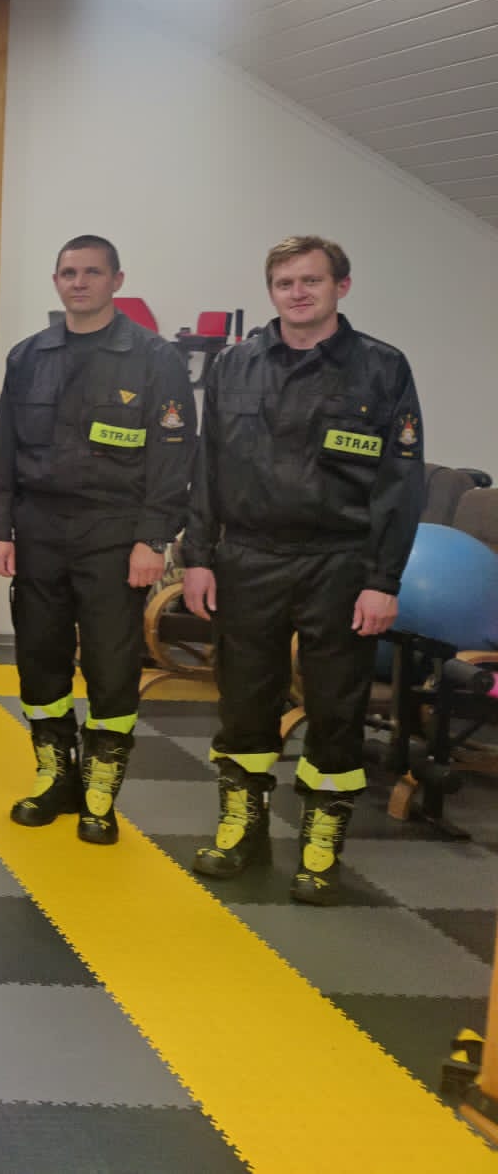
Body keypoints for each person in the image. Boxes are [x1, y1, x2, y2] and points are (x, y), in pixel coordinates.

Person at [181, 236, 423, 905]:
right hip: (248, 556)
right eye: (285, 282)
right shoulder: (234, 366)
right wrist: (197, 558)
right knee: (243, 700)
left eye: (311, 281)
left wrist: (383, 580)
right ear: (271, 291)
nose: (297, 293)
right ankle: (242, 825)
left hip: (340, 562)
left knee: (336, 707)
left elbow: (400, 483)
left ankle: (321, 843)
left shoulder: (381, 368)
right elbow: (207, 468)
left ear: (341, 286)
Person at [0, 235, 194, 844]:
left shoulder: (154, 358)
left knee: (111, 663)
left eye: (92, 272)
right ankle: (55, 777)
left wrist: (154, 539)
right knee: (38, 660)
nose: (79, 283)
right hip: (39, 531)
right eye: (69, 273)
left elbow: (173, 456)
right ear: (56, 281)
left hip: (115, 534)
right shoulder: (29, 355)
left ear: (116, 281)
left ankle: (100, 792)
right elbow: (2, 448)